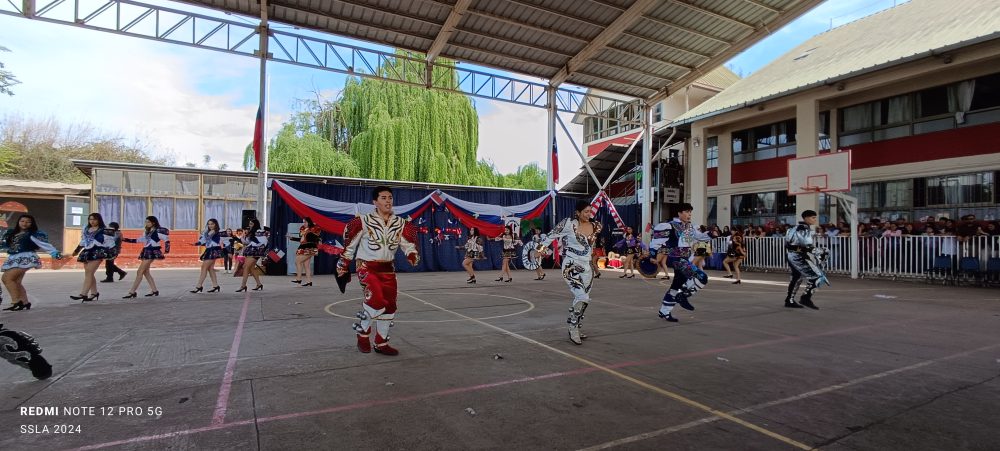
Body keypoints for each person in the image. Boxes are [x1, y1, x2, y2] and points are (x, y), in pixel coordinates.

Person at [338, 186, 420, 356]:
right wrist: (343, 264)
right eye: (383, 197)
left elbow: (407, 244)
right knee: (375, 301)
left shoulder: (400, 223)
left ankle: (381, 343)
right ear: (374, 202)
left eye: (390, 197)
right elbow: (350, 245)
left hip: (388, 268)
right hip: (366, 266)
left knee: (389, 306)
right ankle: (362, 334)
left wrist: (411, 254)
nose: (388, 201)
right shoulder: (363, 221)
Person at [546, 200, 603, 345]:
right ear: (577, 212)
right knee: (582, 296)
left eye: (590, 211)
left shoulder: (596, 226)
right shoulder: (568, 224)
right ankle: (572, 328)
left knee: (584, 300)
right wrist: (540, 250)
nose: (588, 214)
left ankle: (576, 325)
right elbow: (551, 235)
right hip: (571, 265)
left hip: (587, 268)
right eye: (585, 212)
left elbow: (593, 246)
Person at [657, 203, 712, 323]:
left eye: (690, 212)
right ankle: (683, 296)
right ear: (679, 213)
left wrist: (711, 234)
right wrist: (652, 253)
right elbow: (658, 239)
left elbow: (700, 237)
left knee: (675, 286)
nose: (689, 214)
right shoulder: (670, 225)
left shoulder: (690, 227)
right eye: (687, 212)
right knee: (702, 277)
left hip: (685, 259)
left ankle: (664, 312)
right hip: (677, 260)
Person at [1, 214, 62, 311]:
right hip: (13, 258)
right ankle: (25, 302)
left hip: (26, 257)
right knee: (16, 281)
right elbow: (3, 244)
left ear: (32, 223)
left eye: (28, 222)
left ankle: (16, 301)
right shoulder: (11, 233)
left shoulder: (32, 234)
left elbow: (45, 245)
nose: (25, 223)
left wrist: (55, 254)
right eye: (22, 221)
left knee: (6, 278)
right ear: (18, 222)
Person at [784, 210, 828, 309]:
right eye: (813, 217)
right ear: (806, 218)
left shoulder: (793, 228)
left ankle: (789, 300)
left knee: (797, 277)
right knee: (817, 276)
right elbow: (807, 246)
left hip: (792, 255)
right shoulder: (804, 229)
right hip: (798, 256)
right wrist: (820, 252)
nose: (815, 219)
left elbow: (788, 244)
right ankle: (805, 298)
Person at [71, 213, 115, 303]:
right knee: (88, 273)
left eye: (94, 219)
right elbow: (83, 241)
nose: (92, 221)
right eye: (90, 219)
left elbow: (111, 243)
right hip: (87, 252)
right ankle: (94, 293)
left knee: (89, 272)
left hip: (98, 252)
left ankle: (83, 294)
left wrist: (112, 254)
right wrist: (76, 251)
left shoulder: (104, 230)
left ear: (99, 220)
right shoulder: (86, 229)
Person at [122, 216, 169, 299]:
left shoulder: (158, 231)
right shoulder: (146, 232)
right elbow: (138, 240)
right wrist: (124, 239)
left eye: (148, 222)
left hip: (152, 251)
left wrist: (167, 249)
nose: (146, 223)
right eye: (146, 222)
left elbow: (166, 239)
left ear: (153, 222)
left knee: (139, 271)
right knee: (145, 272)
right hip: (146, 251)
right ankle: (154, 290)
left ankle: (132, 291)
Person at [190, 218, 227, 293]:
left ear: (215, 224)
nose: (210, 225)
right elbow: (203, 240)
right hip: (209, 249)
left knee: (204, 267)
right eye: (209, 224)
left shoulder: (218, 232)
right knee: (210, 269)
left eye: (212, 224)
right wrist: (196, 243)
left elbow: (225, 240)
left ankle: (199, 286)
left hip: (214, 250)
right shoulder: (207, 232)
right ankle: (215, 286)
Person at [236, 218, 267, 292]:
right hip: (251, 251)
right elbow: (247, 242)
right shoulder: (252, 232)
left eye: (251, 224)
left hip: (255, 252)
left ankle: (243, 285)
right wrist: (242, 238)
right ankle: (259, 284)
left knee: (246, 267)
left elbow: (262, 242)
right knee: (251, 268)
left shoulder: (259, 232)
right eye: (249, 223)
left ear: (255, 224)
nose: (249, 225)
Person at [290, 217, 321, 286]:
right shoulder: (304, 229)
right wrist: (292, 238)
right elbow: (302, 240)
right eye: (303, 222)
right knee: (306, 265)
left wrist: (317, 240)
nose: (304, 223)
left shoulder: (313, 229)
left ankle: (298, 279)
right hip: (305, 248)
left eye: (305, 222)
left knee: (298, 261)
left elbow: (314, 239)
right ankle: (309, 282)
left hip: (309, 248)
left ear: (309, 222)